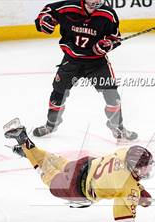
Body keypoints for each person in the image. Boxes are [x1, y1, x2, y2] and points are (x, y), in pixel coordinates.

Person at [3, 118, 155, 222]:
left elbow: (126, 179)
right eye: (145, 167)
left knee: (50, 160)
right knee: (44, 169)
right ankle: (24, 142)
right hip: (74, 188)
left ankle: (28, 151)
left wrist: (139, 192)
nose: (148, 169)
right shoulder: (127, 188)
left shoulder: (124, 153)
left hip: (82, 165)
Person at [32, 0, 137, 142]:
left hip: (97, 63)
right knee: (58, 93)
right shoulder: (68, 8)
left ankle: (117, 127)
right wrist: (44, 20)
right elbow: (48, 11)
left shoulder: (107, 14)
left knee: (113, 96)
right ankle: (50, 125)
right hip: (72, 60)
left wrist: (106, 45)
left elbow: (114, 37)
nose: (96, 2)